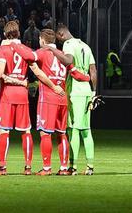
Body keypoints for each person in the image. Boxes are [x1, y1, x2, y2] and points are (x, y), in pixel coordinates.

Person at [0, 20, 38, 175]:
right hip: (22, 93)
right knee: (26, 131)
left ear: (4, 33)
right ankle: (28, 167)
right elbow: (36, 69)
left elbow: (0, 71)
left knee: (4, 131)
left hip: (7, 93)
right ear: (19, 33)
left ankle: (2, 167)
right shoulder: (26, 49)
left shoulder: (2, 49)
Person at [32, 29, 82, 175]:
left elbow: (29, 56)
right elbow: (73, 71)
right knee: (62, 133)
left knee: (45, 134)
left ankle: (47, 168)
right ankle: (64, 168)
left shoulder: (43, 52)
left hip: (48, 97)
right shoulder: (62, 54)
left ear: (42, 40)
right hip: (62, 97)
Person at [58, 24, 98, 174]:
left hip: (75, 91)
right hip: (87, 91)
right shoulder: (86, 46)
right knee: (86, 130)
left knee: (73, 129)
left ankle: (73, 166)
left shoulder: (68, 45)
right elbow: (93, 70)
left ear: (61, 35)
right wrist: (94, 93)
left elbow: (68, 61)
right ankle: (90, 166)